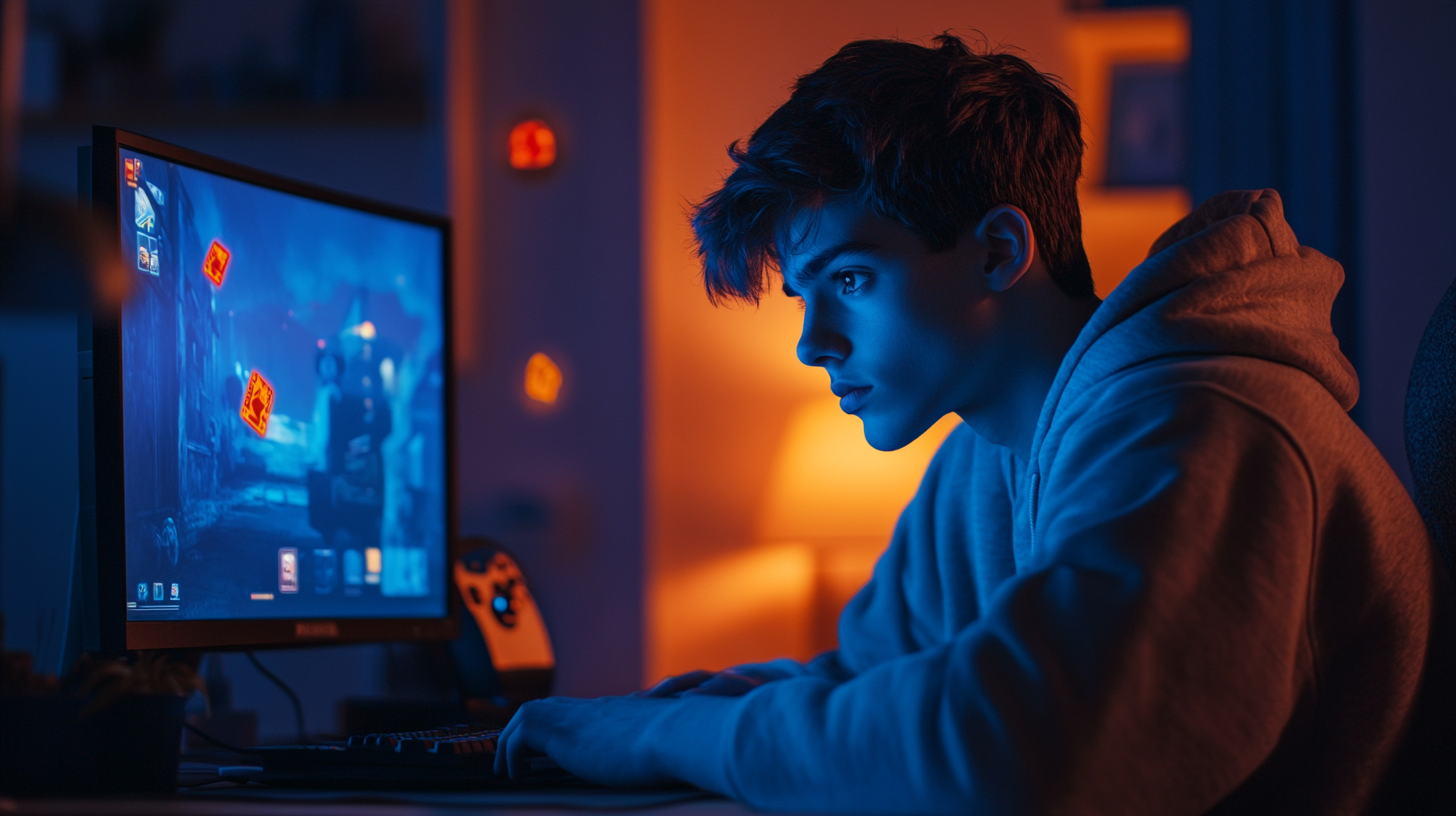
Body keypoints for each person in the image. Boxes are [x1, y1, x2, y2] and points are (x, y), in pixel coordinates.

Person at [495, 35, 1454, 813]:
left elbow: (1022, 756)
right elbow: (867, 683)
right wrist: (628, 722)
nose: (813, 343)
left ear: (999, 250)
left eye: (854, 281)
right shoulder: (979, 459)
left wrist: (667, 737)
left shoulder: (1209, 428)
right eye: (803, 298)